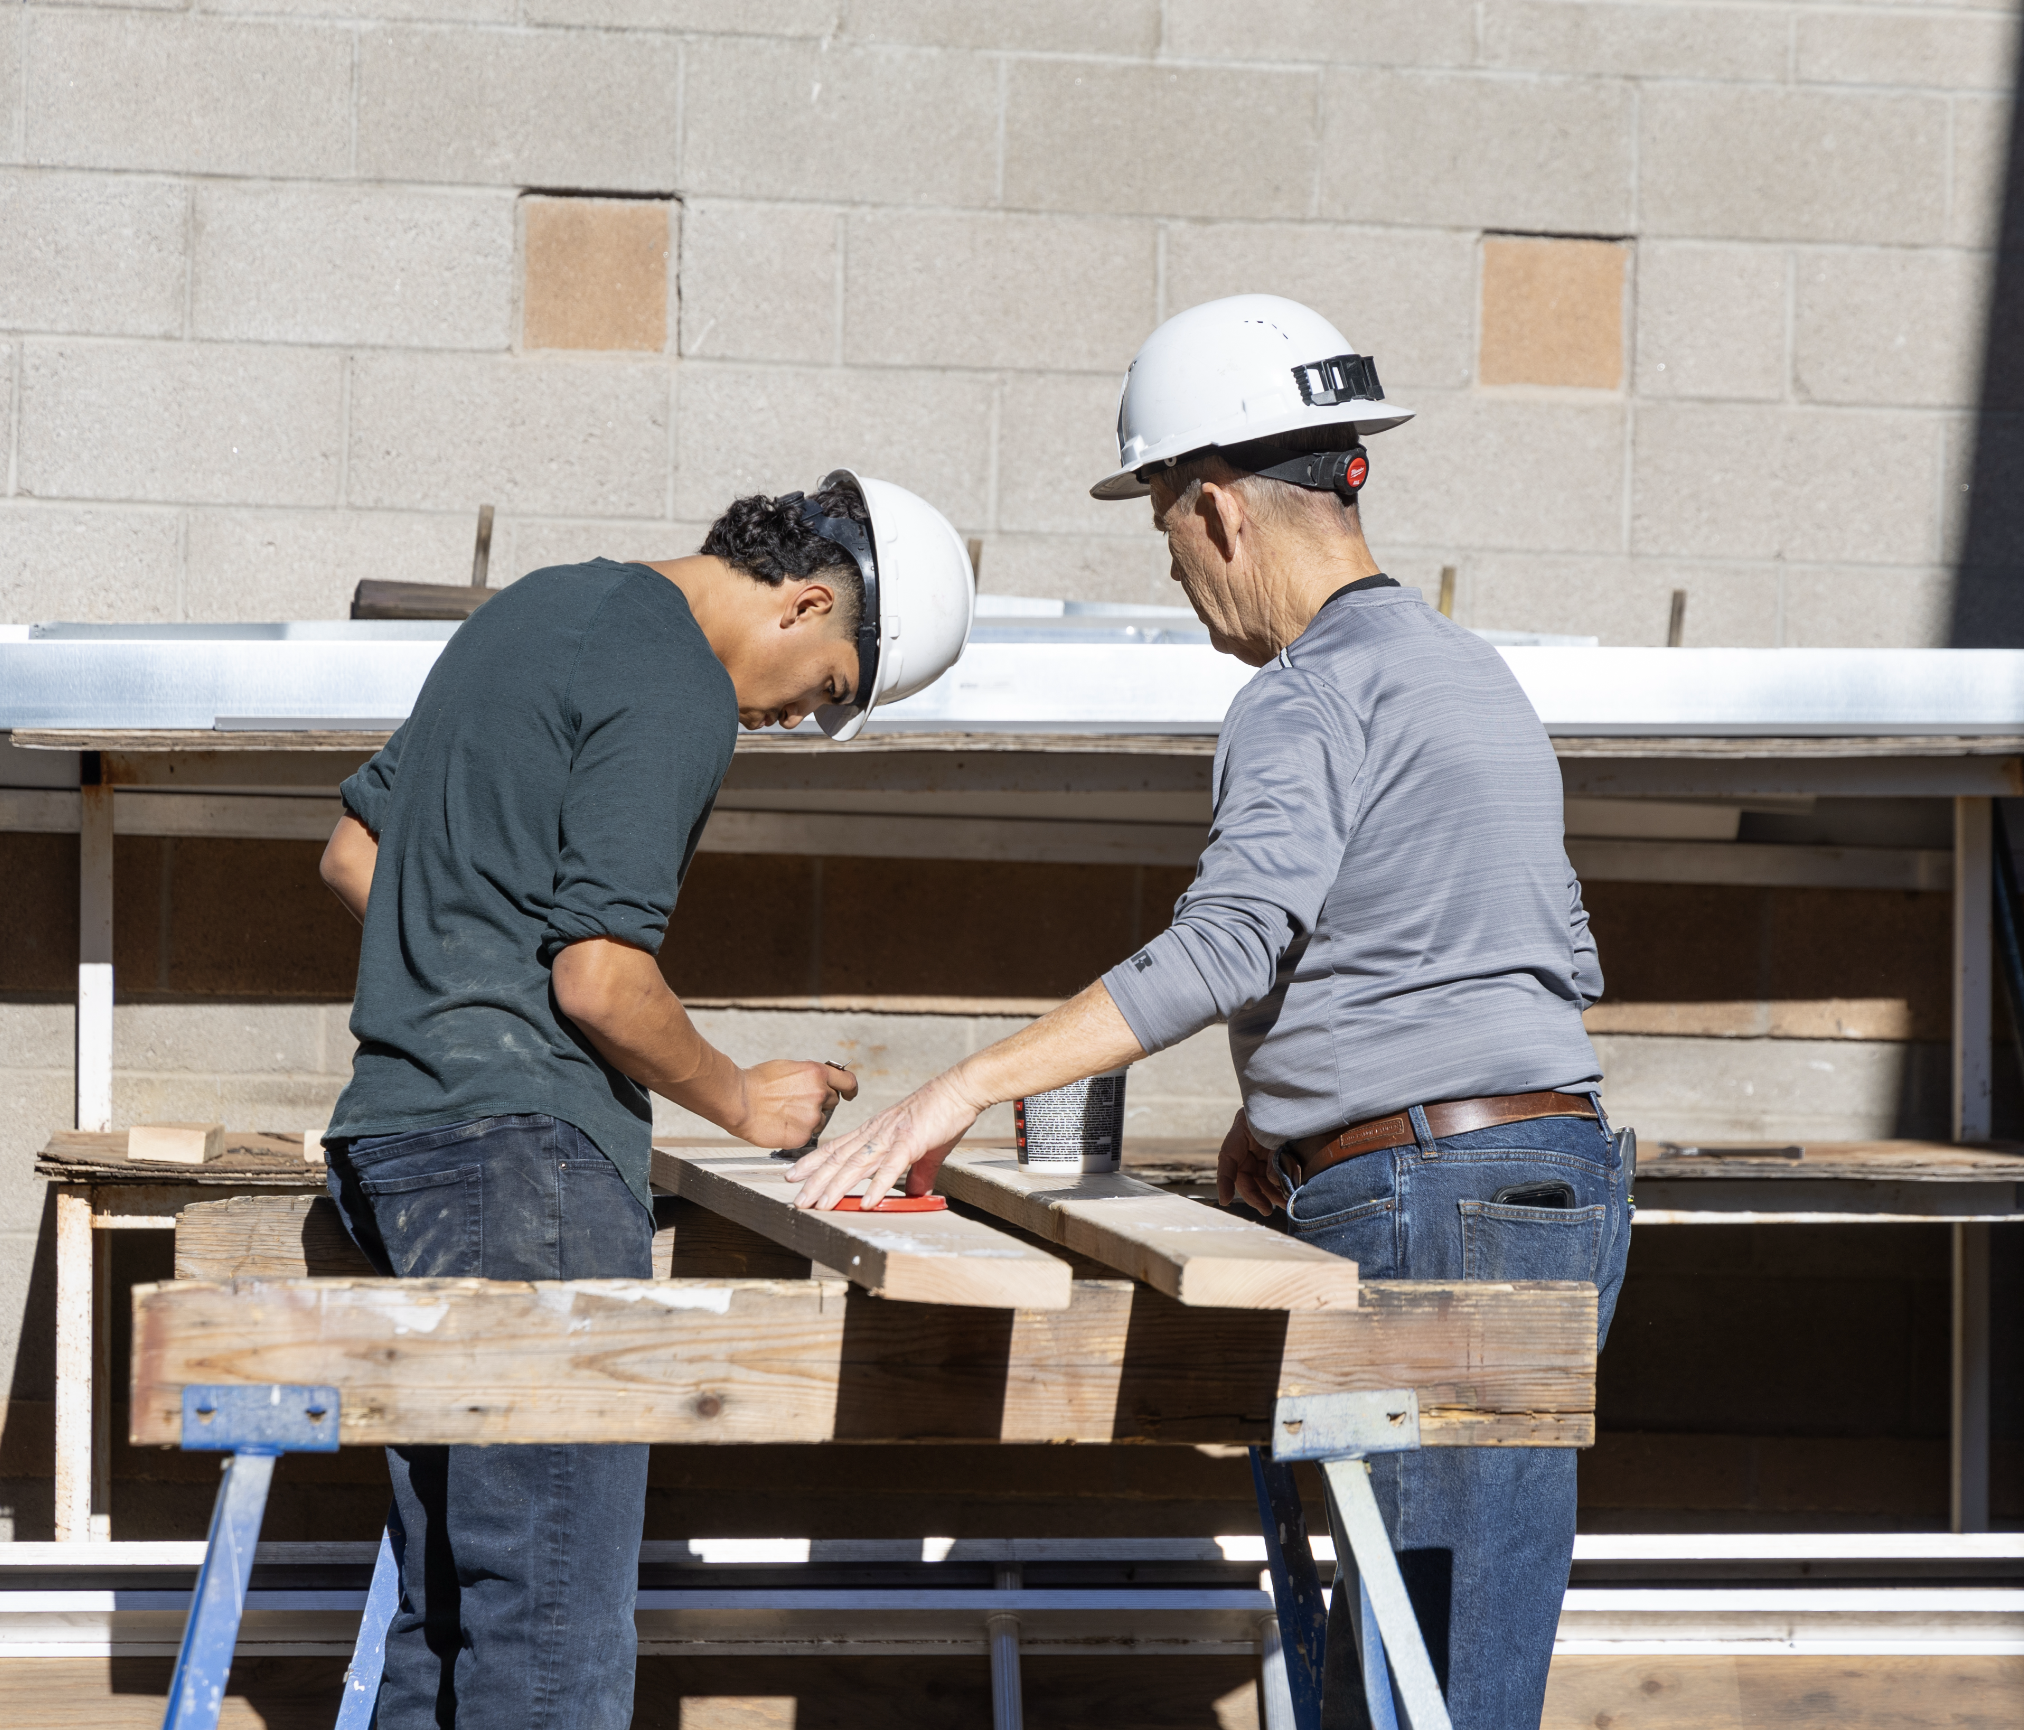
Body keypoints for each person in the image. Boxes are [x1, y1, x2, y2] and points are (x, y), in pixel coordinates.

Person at [787, 296, 1630, 1726]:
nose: (1177, 574)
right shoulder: (1466, 674)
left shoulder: (1299, 697)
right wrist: (1282, 1116)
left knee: (1411, 1688)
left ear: (1221, 509)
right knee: (1456, 1668)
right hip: (1550, 1185)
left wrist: (964, 1086)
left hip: (1429, 1202)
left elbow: (1232, 940)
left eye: (1166, 533)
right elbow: (1511, 945)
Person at [315, 470, 974, 1730]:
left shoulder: (535, 608)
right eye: (828, 689)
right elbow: (602, 978)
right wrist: (742, 1100)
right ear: (810, 600)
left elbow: (356, 854)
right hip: (523, 1165)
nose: (798, 720)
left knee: (448, 1603)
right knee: (549, 1621)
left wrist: (466, 973)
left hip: (392, 1144)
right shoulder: (677, 676)